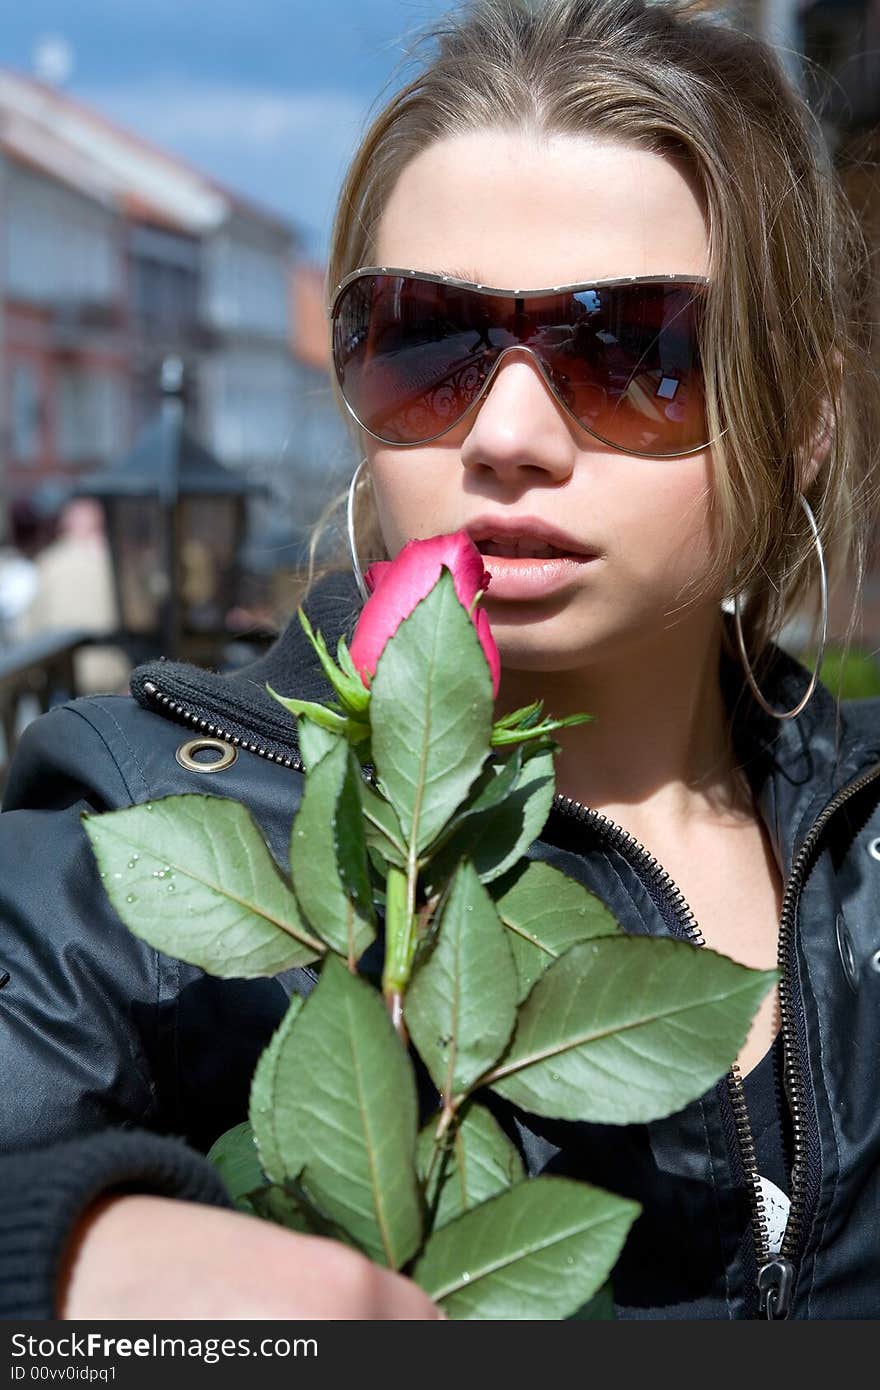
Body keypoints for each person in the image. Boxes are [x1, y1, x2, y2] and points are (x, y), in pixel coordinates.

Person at [2, 0, 880, 1321]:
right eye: (430, 341)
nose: (508, 432)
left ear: (805, 415)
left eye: (636, 350)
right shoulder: (163, 818)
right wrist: (59, 1255)